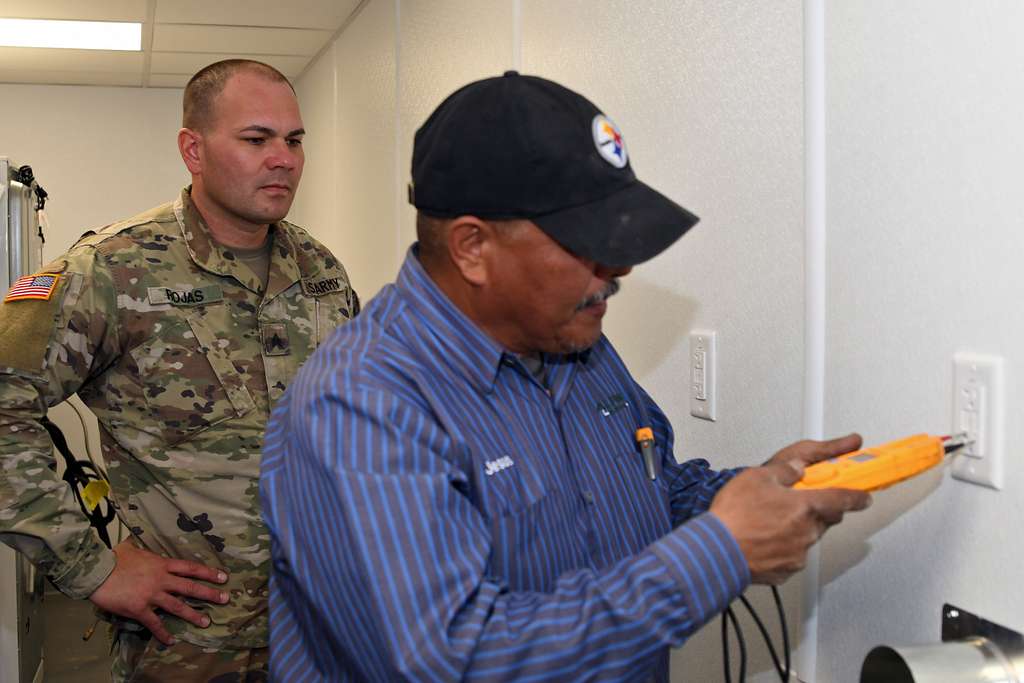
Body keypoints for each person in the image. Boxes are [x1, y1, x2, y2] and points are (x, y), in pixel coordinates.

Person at [260, 71, 869, 681]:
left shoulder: (575, 339)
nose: (620, 268)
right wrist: (719, 554)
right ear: (472, 247)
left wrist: (752, 496)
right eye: (589, 242)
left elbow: (649, 492)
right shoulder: (356, 406)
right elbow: (447, 659)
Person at [0, 59, 358, 681]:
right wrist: (93, 566)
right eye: (257, 139)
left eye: (294, 140)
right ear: (193, 149)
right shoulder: (111, 269)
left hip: (323, 620)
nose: (285, 159)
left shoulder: (318, 267)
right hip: (193, 638)